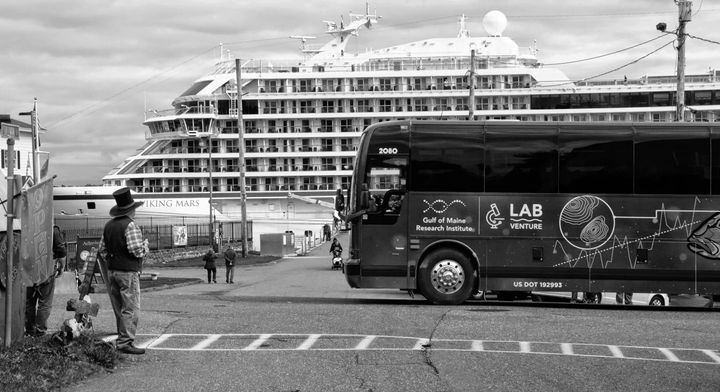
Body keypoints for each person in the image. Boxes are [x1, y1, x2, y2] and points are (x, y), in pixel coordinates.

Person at [79, 187, 149, 355]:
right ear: (131, 210)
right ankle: (125, 341)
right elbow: (136, 250)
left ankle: (121, 335)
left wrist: (113, 258)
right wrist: (145, 247)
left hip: (112, 271)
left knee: (118, 305)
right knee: (130, 307)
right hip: (128, 271)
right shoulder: (130, 225)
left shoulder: (109, 225)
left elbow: (102, 249)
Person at [25, 225, 66, 337]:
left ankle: (29, 330)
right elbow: (61, 251)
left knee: (29, 302)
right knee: (45, 303)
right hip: (46, 271)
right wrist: (62, 267)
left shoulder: (26, 225)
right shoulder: (52, 229)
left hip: (28, 270)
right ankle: (39, 331)